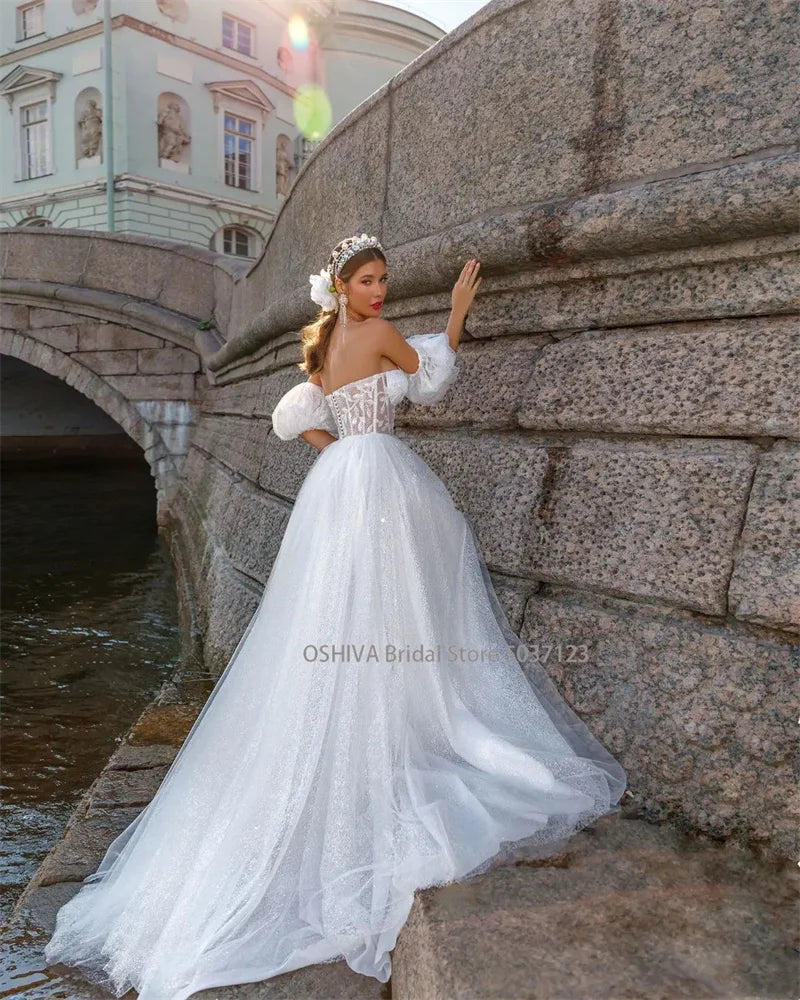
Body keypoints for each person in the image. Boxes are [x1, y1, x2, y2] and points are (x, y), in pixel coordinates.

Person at [43, 233, 626, 999]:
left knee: (335, 616)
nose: (381, 292)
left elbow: (301, 422)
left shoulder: (323, 347)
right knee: (394, 606)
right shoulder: (382, 336)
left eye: (385, 280)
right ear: (345, 286)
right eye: (371, 280)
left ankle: (368, 721)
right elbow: (432, 383)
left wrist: (342, 449)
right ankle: (402, 721)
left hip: (342, 479)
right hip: (381, 476)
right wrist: (453, 317)